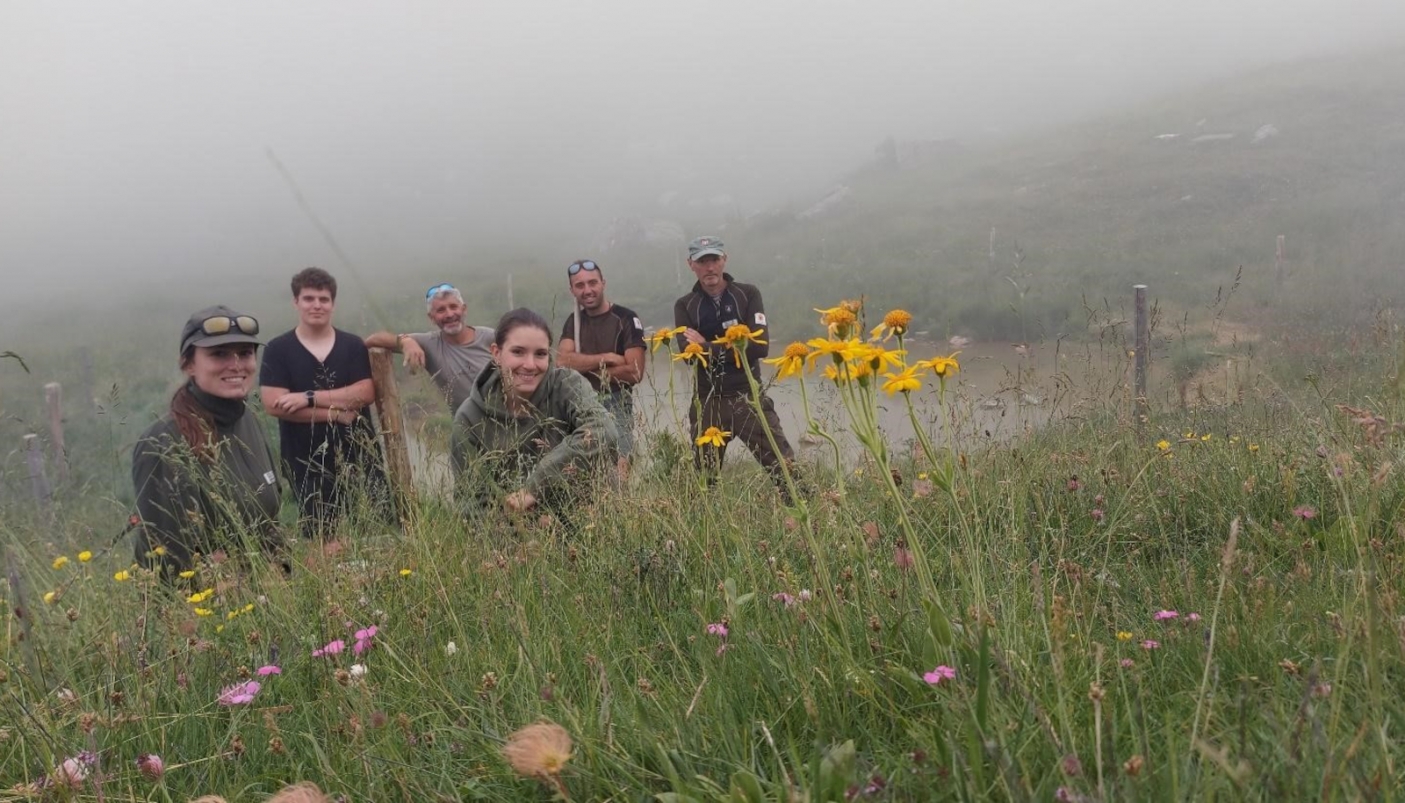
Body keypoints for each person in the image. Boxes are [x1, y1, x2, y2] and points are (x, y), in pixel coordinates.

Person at [132, 306, 283, 572]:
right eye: (219, 354)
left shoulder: (247, 420)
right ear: (189, 364)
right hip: (210, 607)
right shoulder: (164, 443)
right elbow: (165, 562)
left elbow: (269, 522)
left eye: (245, 353)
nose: (236, 364)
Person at [450, 308, 618, 520]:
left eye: (540, 354)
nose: (530, 365)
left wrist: (536, 486)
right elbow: (472, 507)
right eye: (518, 352)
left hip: (587, 521)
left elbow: (604, 431)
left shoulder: (566, 384)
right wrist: (525, 535)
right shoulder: (469, 418)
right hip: (516, 537)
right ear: (496, 353)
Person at [673, 236, 799, 503]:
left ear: (724, 260)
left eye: (714, 259)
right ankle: (706, 534)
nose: (709, 267)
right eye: (702, 261)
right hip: (708, 401)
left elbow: (759, 348)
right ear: (691, 265)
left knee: (786, 470)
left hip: (748, 396)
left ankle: (810, 519)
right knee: (704, 483)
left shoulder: (748, 294)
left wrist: (705, 345)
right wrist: (734, 345)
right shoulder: (685, 305)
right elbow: (689, 358)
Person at [259, 268, 384, 535]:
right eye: (309, 298)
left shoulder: (352, 345)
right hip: (306, 460)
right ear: (296, 302)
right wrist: (336, 414)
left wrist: (308, 398)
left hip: (361, 454)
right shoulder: (277, 349)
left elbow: (365, 393)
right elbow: (274, 404)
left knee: (377, 531)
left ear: (333, 304)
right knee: (323, 539)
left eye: (324, 299)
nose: (317, 305)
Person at [556, 259, 645, 481]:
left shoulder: (626, 319)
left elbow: (634, 373)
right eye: (580, 285)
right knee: (581, 471)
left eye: (592, 283)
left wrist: (584, 366)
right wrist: (606, 358)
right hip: (580, 402)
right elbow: (561, 362)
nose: (587, 290)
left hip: (616, 401)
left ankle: (621, 508)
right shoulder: (573, 321)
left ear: (603, 283)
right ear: (572, 290)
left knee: (621, 467)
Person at [364, 283, 494, 414]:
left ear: (464, 309)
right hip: (468, 428)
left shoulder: (491, 337)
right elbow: (372, 340)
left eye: (453, 307)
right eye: (441, 310)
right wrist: (405, 341)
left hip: (508, 422)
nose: (449, 314)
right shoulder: (430, 343)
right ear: (431, 318)